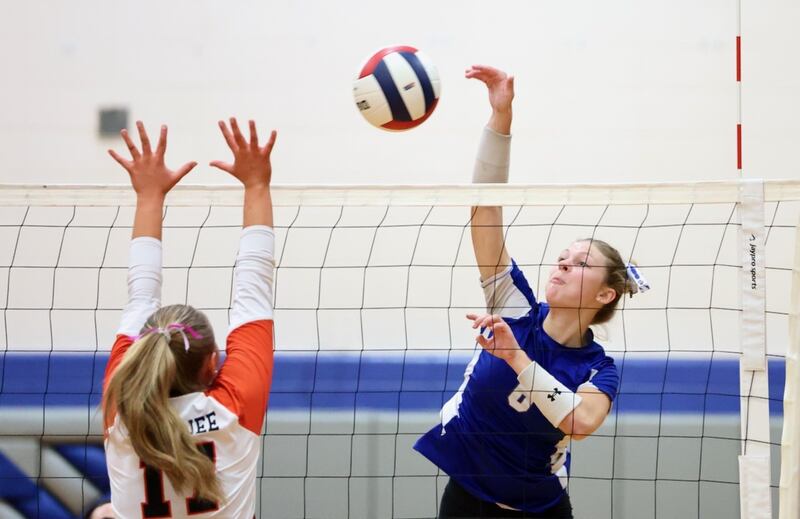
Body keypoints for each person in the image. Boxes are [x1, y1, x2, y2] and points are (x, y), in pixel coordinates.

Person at [414, 66, 649, 518]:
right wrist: (501, 117)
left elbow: (579, 423)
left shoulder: (598, 368)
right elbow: (484, 208)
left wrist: (514, 357)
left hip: (540, 509)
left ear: (606, 295)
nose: (563, 263)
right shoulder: (514, 307)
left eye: (581, 263)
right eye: (563, 256)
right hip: (465, 500)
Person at [103, 118, 277, 518]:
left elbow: (141, 298)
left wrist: (148, 197)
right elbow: (253, 292)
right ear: (212, 364)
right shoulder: (232, 409)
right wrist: (257, 185)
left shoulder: (122, 413)